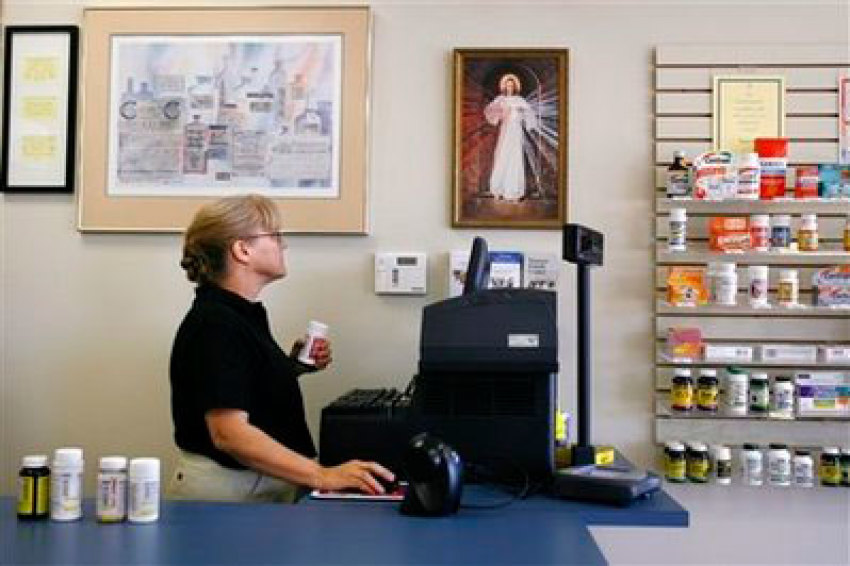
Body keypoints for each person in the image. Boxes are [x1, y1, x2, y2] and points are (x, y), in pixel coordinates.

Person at [168, 194, 393, 502]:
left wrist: (291, 368)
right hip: (231, 492)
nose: (283, 244)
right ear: (242, 249)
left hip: (258, 483)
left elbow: (237, 386)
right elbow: (229, 434)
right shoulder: (215, 324)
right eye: (273, 236)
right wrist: (324, 475)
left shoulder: (239, 315)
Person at [484, 73, 538, 201]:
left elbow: (529, 114)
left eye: (512, 86)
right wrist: (502, 113)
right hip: (506, 130)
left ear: (515, 87)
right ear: (504, 87)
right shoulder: (500, 99)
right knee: (502, 156)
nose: (510, 88)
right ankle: (498, 189)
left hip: (516, 131)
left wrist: (522, 114)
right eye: (508, 85)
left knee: (515, 157)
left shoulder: (520, 100)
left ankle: (514, 191)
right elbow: (491, 112)